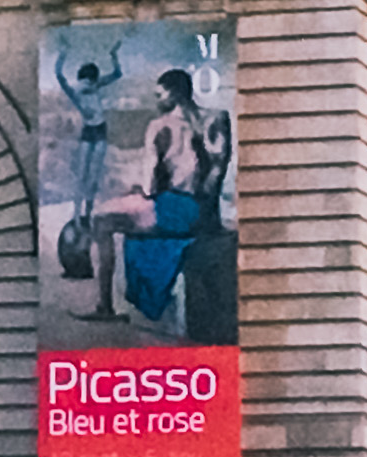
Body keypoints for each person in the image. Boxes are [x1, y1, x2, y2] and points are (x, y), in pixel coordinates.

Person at [83, 67, 234, 328]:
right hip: (207, 214)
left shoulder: (160, 126)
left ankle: (104, 307)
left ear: (174, 93)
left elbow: (150, 186)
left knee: (100, 218)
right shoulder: (217, 118)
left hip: (175, 211)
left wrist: (138, 190)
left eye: (160, 95)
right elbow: (216, 173)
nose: (157, 101)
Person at [56, 42, 125, 218]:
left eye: (91, 82)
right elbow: (59, 76)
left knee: (93, 174)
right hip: (89, 131)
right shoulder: (77, 89)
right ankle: (77, 213)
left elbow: (117, 74)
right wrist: (62, 56)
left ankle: (87, 211)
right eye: (86, 82)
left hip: (99, 129)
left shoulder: (95, 84)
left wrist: (113, 55)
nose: (88, 85)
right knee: (82, 174)